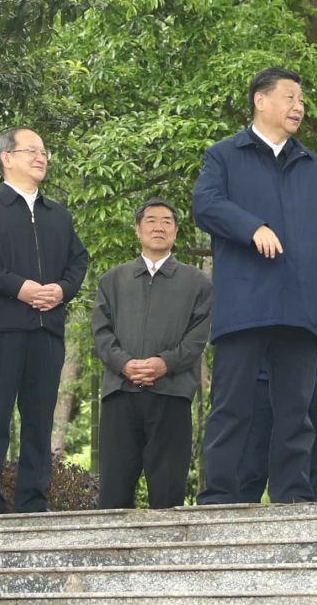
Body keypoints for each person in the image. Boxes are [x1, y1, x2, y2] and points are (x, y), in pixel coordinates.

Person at [193, 66, 317, 504]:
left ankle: (294, 498)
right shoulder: (224, 155)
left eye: (302, 100)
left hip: (302, 307)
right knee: (232, 406)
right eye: (290, 97)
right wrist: (252, 227)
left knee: (296, 411)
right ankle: (221, 496)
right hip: (246, 303)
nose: (299, 107)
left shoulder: (313, 166)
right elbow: (206, 204)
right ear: (260, 99)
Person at [0, 129, 88, 514]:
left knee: (39, 418)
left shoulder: (59, 215)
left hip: (47, 330)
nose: (41, 157)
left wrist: (61, 290)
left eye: (44, 152)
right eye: (32, 150)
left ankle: (34, 497)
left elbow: (78, 262)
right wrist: (21, 289)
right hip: (1, 328)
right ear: (7, 158)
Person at [91, 199, 212, 509]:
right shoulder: (112, 280)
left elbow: (197, 337)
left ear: (176, 231)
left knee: (168, 494)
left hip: (172, 394)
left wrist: (165, 363)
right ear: (137, 229)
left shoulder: (197, 282)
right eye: (151, 220)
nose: (159, 227)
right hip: (120, 394)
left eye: (167, 222)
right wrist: (125, 364)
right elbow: (102, 333)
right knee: (114, 494)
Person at [237, 358, 317, 503]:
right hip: (260, 376)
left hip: (309, 373)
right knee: (248, 475)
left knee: (307, 479)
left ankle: (300, 510)